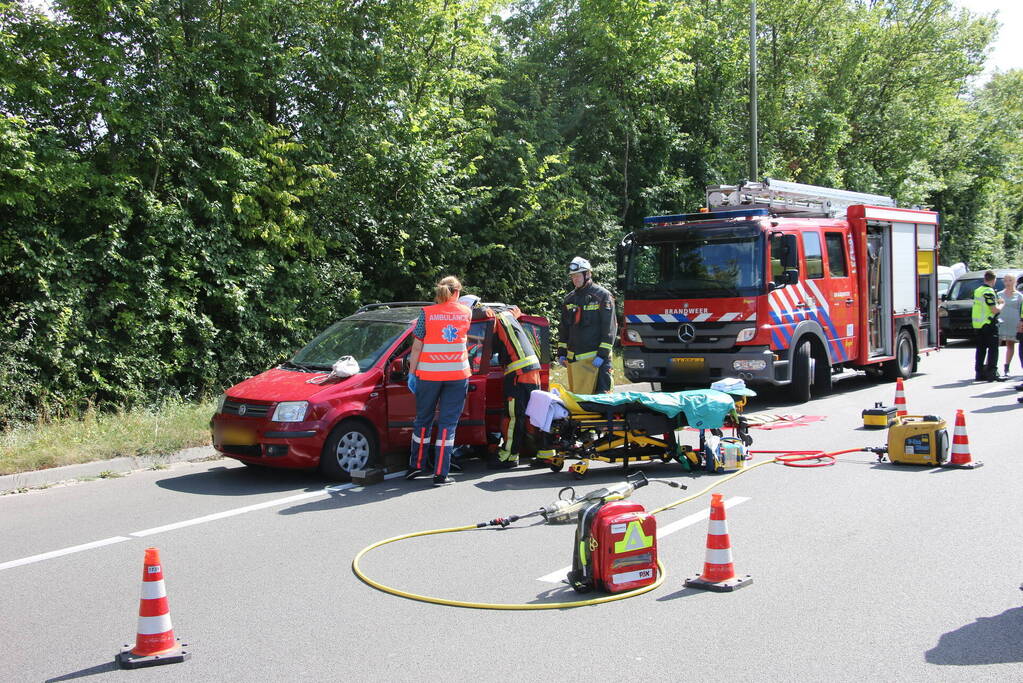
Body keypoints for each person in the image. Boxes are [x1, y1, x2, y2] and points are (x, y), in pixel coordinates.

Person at [405, 276, 472, 486]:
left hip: (428, 375)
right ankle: (441, 474)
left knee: (422, 420)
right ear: (457, 292)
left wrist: (412, 372)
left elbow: (417, 347)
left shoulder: (426, 313)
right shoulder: (466, 312)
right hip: (457, 376)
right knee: (447, 425)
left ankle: (416, 466)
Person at [486, 304, 554, 469]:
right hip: (532, 371)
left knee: (513, 416)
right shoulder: (508, 315)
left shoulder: (492, 317)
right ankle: (545, 454)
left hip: (518, 374)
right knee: (533, 415)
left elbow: (485, 322)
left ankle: (509, 456)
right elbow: (515, 310)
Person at [556, 256, 617, 393]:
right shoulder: (569, 299)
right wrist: (561, 352)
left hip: (598, 361)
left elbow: (609, 329)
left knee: (602, 401)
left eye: (578, 275)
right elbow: (564, 328)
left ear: (588, 274)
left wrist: (602, 355)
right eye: (572, 276)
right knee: (581, 402)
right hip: (576, 362)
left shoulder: (602, 296)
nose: (575, 279)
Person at [971, 270, 1002, 382]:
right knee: (993, 349)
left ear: (985, 279)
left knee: (981, 350)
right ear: (994, 280)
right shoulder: (988, 291)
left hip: (978, 325)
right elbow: (994, 309)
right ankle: (991, 373)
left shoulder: (978, 290)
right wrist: (1001, 304)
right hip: (988, 323)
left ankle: (979, 373)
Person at [998, 273, 1022, 378]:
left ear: (1015, 282)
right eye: (1006, 281)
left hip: (1014, 323)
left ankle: (1006, 367)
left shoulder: (1019, 296)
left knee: (1010, 345)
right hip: (1001, 322)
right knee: (995, 346)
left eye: (1010, 280)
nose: (1008, 283)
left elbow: (1021, 310)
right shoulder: (999, 294)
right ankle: (992, 366)